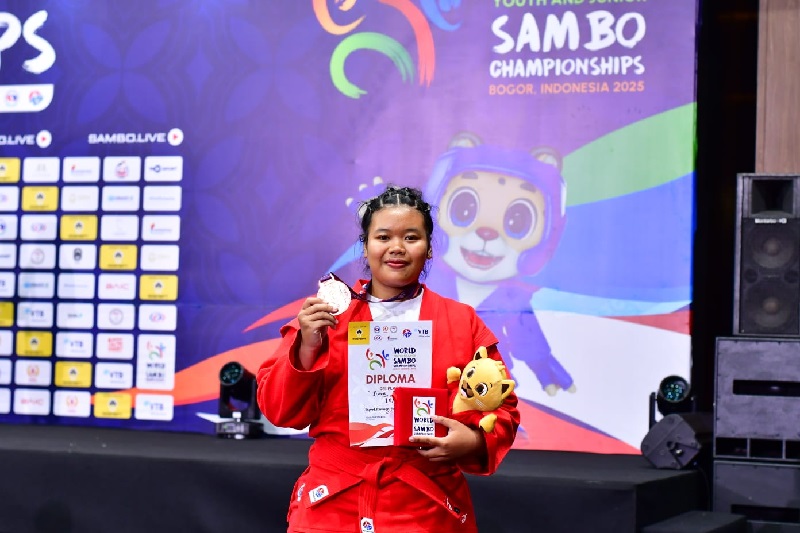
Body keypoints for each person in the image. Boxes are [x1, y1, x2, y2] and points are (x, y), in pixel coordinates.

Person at [256, 184, 520, 533]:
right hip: (332, 504)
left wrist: (471, 442)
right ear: (365, 247)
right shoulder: (326, 316)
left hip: (425, 507)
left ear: (428, 250)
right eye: (383, 237)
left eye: (411, 237)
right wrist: (307, 346)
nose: (397, 248)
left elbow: (502, 407)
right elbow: (280, 410)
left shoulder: (462, 321)